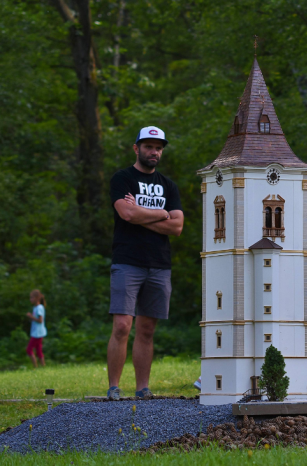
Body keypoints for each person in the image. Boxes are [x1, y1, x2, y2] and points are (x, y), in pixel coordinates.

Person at [107, 126, 184, 400]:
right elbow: (126, 214)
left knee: (147, 329)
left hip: (159, 264)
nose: (154, 151)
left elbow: (177, 227)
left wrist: (142, 213)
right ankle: (114, 387)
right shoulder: (122, 179)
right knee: (122, 326)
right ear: (136, 147)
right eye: (149, 146)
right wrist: (160, 214)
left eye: (159, 147)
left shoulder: (168, 185)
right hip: (128, 261)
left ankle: (143, 389)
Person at [26, 289, 47, 368]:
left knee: (29, 349)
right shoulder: (36, 308)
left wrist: (31, 316)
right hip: (36, 332)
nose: (30, 299)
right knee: (38, 350)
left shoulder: (39, 308)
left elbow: (40, 320)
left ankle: (36, 367)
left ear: (37, 298)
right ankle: (43, 366)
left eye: (32, 298)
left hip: (37, 333)